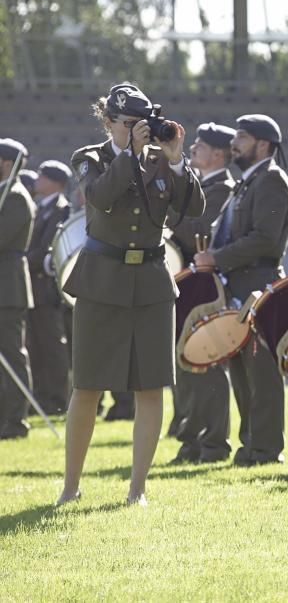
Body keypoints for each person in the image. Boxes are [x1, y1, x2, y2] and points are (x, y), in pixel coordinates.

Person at [57, 83, 205, 505]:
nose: (137, 131)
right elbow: (100, 197)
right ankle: (71, 486)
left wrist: (178, 162)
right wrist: (128, 155)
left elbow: (194, 208)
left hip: (153, 282)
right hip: (101, 281)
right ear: (109, 122)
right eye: (127, 124)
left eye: (142, 124)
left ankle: (137, 489)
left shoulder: (161, 161)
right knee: (87, 387)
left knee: (151, 387)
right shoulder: (91, 157)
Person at [194, 114, 288, 467]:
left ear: (263, 144)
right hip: (239, 285)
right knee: (242, 372)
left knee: (261, 374)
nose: (234, 142)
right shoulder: (248, 182)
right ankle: (251, 446)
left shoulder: (271, 180)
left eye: (242, 136)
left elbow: (264, 239)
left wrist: (215, 258)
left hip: (259, 286)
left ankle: (266, 449)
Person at [169, 122, 237, 464]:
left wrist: (165, 214)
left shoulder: (224, 188)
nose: (193, 149)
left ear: (219, 154)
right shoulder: (201, 185)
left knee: (206, 362)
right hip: (187, 281)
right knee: (187, 365)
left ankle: (212, 443)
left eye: (201, 145)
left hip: (206, 285)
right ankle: (192, 440)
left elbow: (200, 232)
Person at [25, 160, 73, 416]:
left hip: (47, 290)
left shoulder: (60, 209)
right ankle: (41, 396)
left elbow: (46, 250)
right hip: (33, 288)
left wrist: (21, 257)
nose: (37, 180)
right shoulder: (40, 208)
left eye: (43, 176)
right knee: (36, 346)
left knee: (53, 347)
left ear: (55, 182)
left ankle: (56, 398)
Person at [0, 138, 36, 440]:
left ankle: (16, 420)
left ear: (8, 165)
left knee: (12, 355)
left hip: (8, 286)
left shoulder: (15, 196)